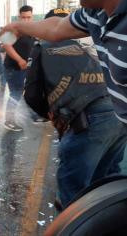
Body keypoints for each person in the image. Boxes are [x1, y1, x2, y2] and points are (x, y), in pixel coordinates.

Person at [24, 7, 127, 210]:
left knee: (73, 191)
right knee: (106, 184)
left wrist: (50, 114)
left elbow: (32, 95)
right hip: (119, 116)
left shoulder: (43, 46)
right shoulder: (93, 39)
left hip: (88, 120)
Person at [2, 5, 35, 131]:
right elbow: (6, 45)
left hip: (25, 68)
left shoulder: (31, 29)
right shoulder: (15, 29)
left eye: (29, 17)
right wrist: (20, 60)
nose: (26, 20)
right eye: (23, 17)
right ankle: (9, 120)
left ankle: (35, 115)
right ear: (19, 17)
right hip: (13, 68)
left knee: (27, 90)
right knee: (15, 93)